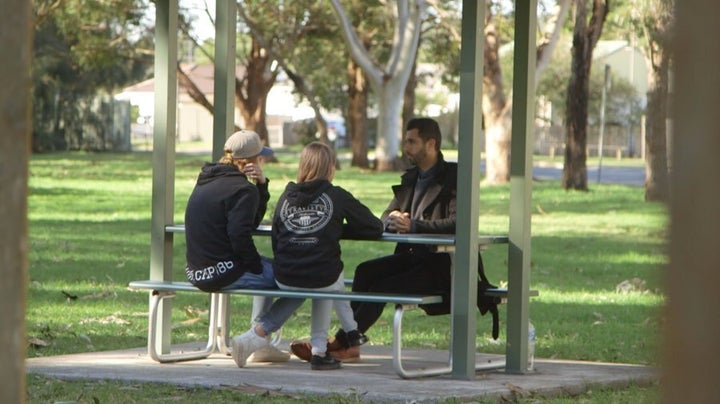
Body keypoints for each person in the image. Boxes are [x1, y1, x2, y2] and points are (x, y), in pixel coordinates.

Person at [291, 117, 474, 362]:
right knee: (365, 271)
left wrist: (414, 225)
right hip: (410, 258)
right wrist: (393, 218)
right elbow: (386, 215)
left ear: (431, 143)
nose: (405, 148)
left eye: (411, 142)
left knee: (381, 287)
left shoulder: (455, 176)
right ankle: (349, 341)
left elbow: (459, 222)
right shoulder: (411, 178)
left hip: (441, 265)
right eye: (405, 141)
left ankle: (342, 343)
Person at [233, 142, 383, 370]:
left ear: (302, 165)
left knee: (324, 278)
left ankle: (329, 346)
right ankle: (332, 344)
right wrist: (337, 227)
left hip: (286, 275)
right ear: (331, 167)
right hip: (322, 276)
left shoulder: (285, 196)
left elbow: (276, 237)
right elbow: (374, 227)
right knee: (328, 277)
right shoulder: (337, 196)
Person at [183, 129, 289, 363]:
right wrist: (255, 266)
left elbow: (247, 222)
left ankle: (260, 344)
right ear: (252, 161)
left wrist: (261, 187)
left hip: (196, 270)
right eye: (261, 157)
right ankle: (256, 339)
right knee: (298, 280)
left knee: (268, 270)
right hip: (225, 271)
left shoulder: (205, 181)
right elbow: (241, 235)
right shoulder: (242, 189)